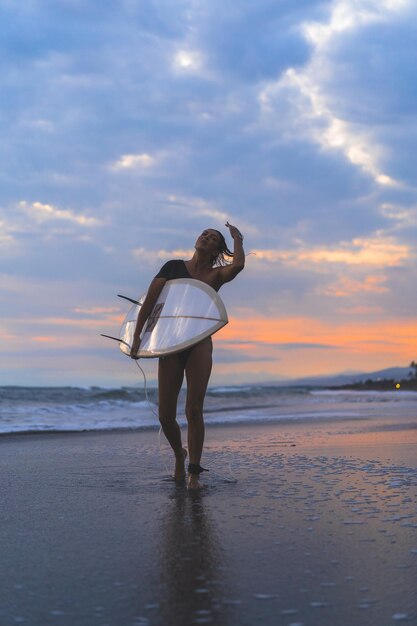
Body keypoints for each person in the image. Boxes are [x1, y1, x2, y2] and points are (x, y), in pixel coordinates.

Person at [130, 222, 245, 489]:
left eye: (213, 237)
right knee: (165, 416)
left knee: (194, 410)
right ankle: (179, 456)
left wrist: (238, 239)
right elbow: (149, 303)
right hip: (170, 345)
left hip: (199, 344)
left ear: (217, 248)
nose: (206, 237)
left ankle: (194, 472)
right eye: (204, 234)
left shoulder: (216, 276)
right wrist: (137, 337)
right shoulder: (172, 267)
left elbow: (237, 266)